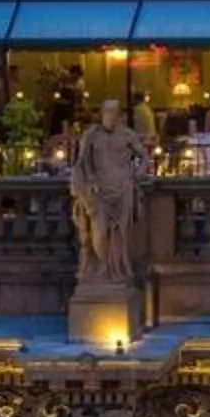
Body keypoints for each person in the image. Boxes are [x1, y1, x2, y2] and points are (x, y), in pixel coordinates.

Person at [67, 99, 151, 283]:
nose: (111, 117)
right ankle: (105, 266)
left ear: (119, 116)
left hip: (123, 188)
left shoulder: (127, 135)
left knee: (121, 233)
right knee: (100, 231)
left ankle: (117, 270)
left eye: (114, 113)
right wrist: (89, 180)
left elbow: (145, 157)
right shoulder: (91, 136)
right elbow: (82, 161)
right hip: (99, 190)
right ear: (102, 114)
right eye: (108, 112)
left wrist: (139, 173)